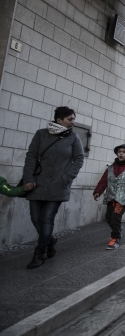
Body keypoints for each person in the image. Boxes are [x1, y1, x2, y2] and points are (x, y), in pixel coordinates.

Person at [23, 106, 84, 269]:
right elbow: (31, 156)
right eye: (70, 119)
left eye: (73, 118)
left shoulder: (74, 137)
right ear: (59, 120)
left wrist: (67, 177)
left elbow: (79, 159)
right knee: (36, 219)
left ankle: (39, 253)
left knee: (47, 218)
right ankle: (50, 241)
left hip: (58, 184)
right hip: (38, 183)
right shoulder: (41, 134)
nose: (73, 122)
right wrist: (28, 178)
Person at [93, 144, 125, 250]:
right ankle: (117, 229)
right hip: (111, 197)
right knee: (108, 218)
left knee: (115, 218)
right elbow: (103, 181)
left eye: (124, 152)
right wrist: (98, 191)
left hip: (122, 199)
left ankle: (115, 239)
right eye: (119, 152)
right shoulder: (110, 168)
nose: (121, 153)